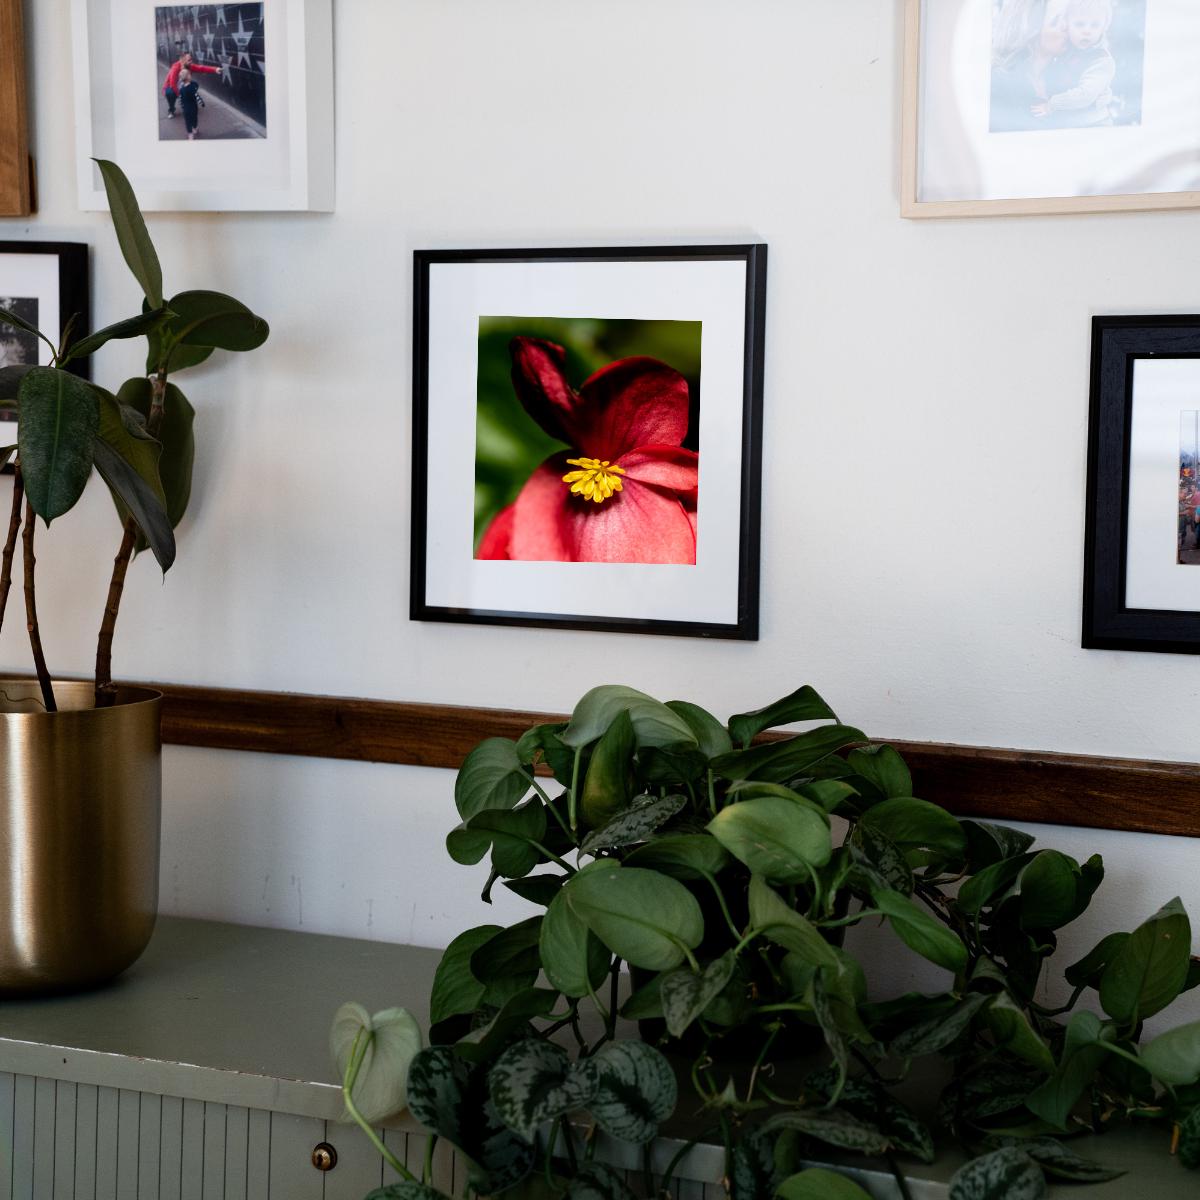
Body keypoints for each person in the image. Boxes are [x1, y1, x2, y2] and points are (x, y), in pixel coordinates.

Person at [1031, 0, 1116, 126]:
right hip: (1068, 122)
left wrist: (1052, 105)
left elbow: (1085, 95)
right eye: (1080, 24)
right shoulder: (1065, 50)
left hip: (1093, 124)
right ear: (1067, 25)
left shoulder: (1101, 61)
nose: (1087, 31)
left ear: (1104, 27)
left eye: (1095, 25)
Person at [990, 0, 1070, 131]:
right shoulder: (999, 82)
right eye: (1055, 22)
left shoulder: (1066, 78)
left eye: (1066, 18)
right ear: (1031, 31)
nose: (1067, 27)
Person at [163, 51, 220, 118]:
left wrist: (215, 69)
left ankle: (190, 102)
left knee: (195, 85)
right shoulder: (175, 68)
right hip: (171, 87)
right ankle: (171, 110)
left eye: (191, 59)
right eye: (189, 60)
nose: (191, 62)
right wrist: (181, 96)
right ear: (182, 60)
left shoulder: (189, 66)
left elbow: (201, 68)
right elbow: (173, 85)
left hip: (182, 86)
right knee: (170, 93)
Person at [177, 69, 206, 141]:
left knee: (188, 121)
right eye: (189, 74)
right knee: (194, 119)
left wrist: (181, 106)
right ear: (188, 77)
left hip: (186, 109)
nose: (191, 75)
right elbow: (197, 96)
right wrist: (201, 103)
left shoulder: (181, 89)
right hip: (193, 108)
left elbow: (180, 98)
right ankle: (195, 128)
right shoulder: (192, 87)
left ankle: (190, 134)